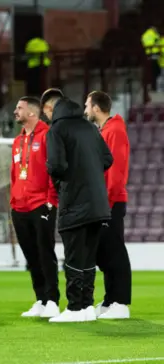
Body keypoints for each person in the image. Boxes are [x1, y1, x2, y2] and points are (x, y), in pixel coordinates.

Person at [43, 94, 113, 323]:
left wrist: (65, 180)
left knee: (73, 257)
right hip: (98, 203)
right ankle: (87, 307)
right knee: (88, 258)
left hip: (74, 200)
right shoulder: (91, 128)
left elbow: (56, 165)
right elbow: (107, 159)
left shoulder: (57, 130)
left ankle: (74, 308)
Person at [10, 96, 60, 319]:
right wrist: (13, 199)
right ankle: (40, 299)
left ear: (32, 112)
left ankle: (53, 300)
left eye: (19, 108)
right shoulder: (17, 141)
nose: (15, 111)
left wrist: (51, 199)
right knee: (31, 256)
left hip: (41, 203)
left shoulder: (48, 135)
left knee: (45, 252)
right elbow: (14, 174)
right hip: (19, 206)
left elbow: (54, 169)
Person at [84, 91, 132, 320]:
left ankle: (121, 302)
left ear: (95, 108)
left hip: (110, 201)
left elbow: (116, 170)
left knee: (115, 251)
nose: (85, 109)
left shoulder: (115, 131)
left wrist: (107, 201)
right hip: (103, 201)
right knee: (104, 253)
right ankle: (111, 299)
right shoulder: (104, 131)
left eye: (87, 105)